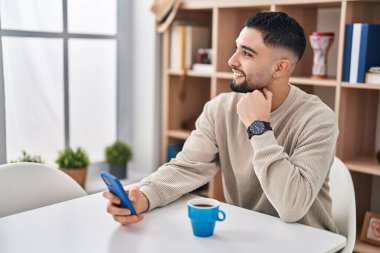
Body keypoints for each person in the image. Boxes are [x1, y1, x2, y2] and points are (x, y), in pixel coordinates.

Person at [103, 11, 339, 233]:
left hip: (309, 242)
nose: (231, 60)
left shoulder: (318, 119)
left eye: (246, 53)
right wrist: (144, 196)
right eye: (236, 49)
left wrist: (259, 128)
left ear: (280, 67)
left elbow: (292, 207)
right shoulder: (220, 108)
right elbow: (188, 167)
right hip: (250, 236)